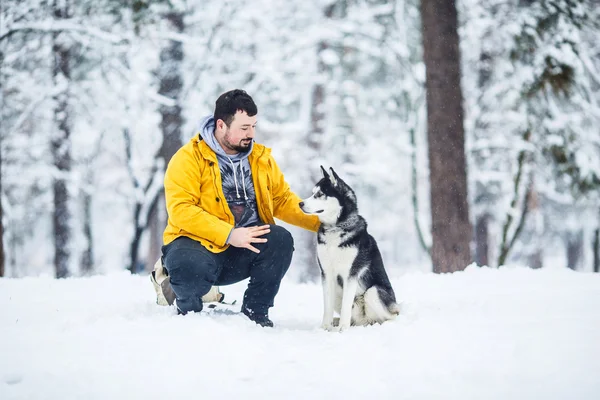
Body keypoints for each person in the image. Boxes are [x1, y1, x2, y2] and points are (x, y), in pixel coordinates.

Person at [161, 89, 320, 327]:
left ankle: (255, 314)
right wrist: (229, 234)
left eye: (254, 126)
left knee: (280, 240)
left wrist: (325, 223)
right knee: (188, 267)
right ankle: (189, 315)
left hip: (242, 248)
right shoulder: (188, 158)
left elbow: (281, 200)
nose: (251, 134)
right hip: (197, 245)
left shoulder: (260, 158)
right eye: (244, 128)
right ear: (221, 125)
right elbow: (181, 210)